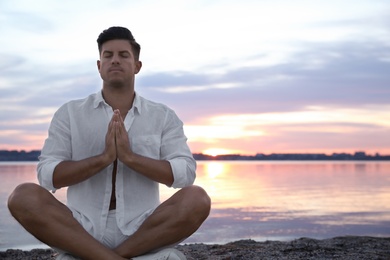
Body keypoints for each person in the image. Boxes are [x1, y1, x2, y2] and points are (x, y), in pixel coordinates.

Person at [7, 26, 211, 260]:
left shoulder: (163, 116)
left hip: (143, 230)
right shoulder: (70, 113)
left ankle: (104, 256)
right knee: (22, 196)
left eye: (123, 55)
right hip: (80, 229)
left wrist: (130, 158)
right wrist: (103, 159)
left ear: (137, 66)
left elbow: (185, 173)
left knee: (197, 198)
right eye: (108, 55)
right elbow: (47, 175)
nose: (115, 60)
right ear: (99, 65)